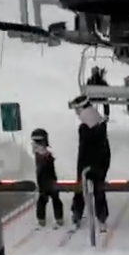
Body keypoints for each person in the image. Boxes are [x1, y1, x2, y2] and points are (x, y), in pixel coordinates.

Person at [69, 94, 112, 225]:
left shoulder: (84, 127)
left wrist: (80, 169)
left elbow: (83, 150)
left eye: (76, 110)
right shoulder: (99, 121)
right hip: (102, 160)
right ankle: (102, 215)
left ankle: (77, 213)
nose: (76, 113)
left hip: (88, 161)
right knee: (99, 187)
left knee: (81, 187)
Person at [30, 128, 63, 228]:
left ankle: (45, 219)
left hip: (47, 180)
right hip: (47, 180)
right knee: (49, 199)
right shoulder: (42, 154)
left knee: (46, 199)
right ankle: (55, 219)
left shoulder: (40, 153)